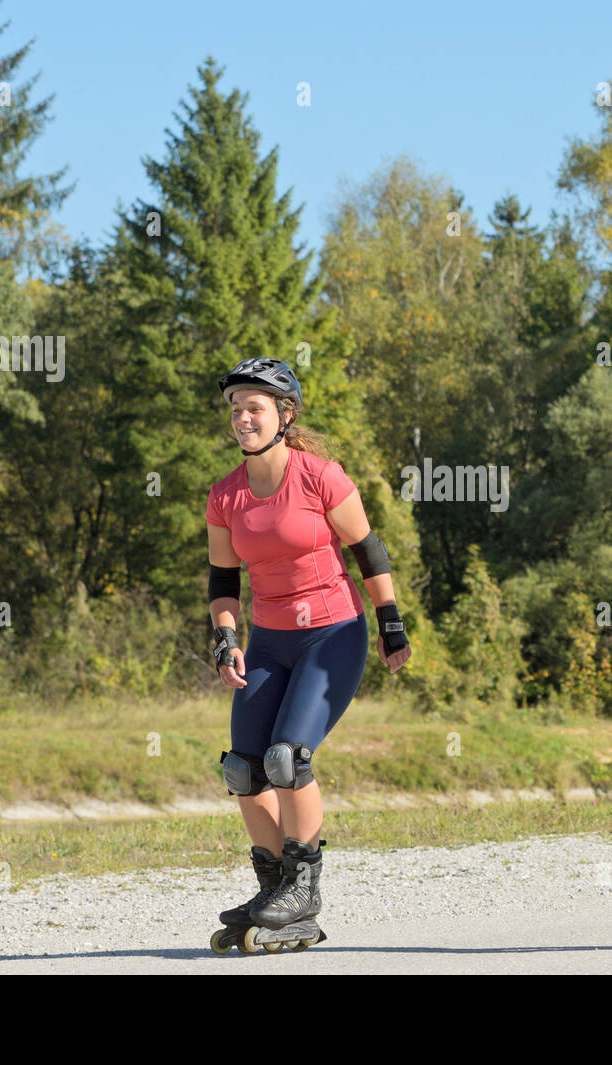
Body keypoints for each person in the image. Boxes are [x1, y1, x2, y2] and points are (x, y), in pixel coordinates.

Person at [205, 356, 411, 953]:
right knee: (243, 768)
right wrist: (226, 639)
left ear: (284, 415)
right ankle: (274, 889)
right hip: (269, 639)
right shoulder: (224, 497)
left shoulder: (320, 476)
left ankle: (303, 890)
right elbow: (224, 583)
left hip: (332, 633)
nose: (243, 419)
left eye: (255, 409)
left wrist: (390, 624)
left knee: (287, 759)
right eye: (236, 410)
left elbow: (369, 550)